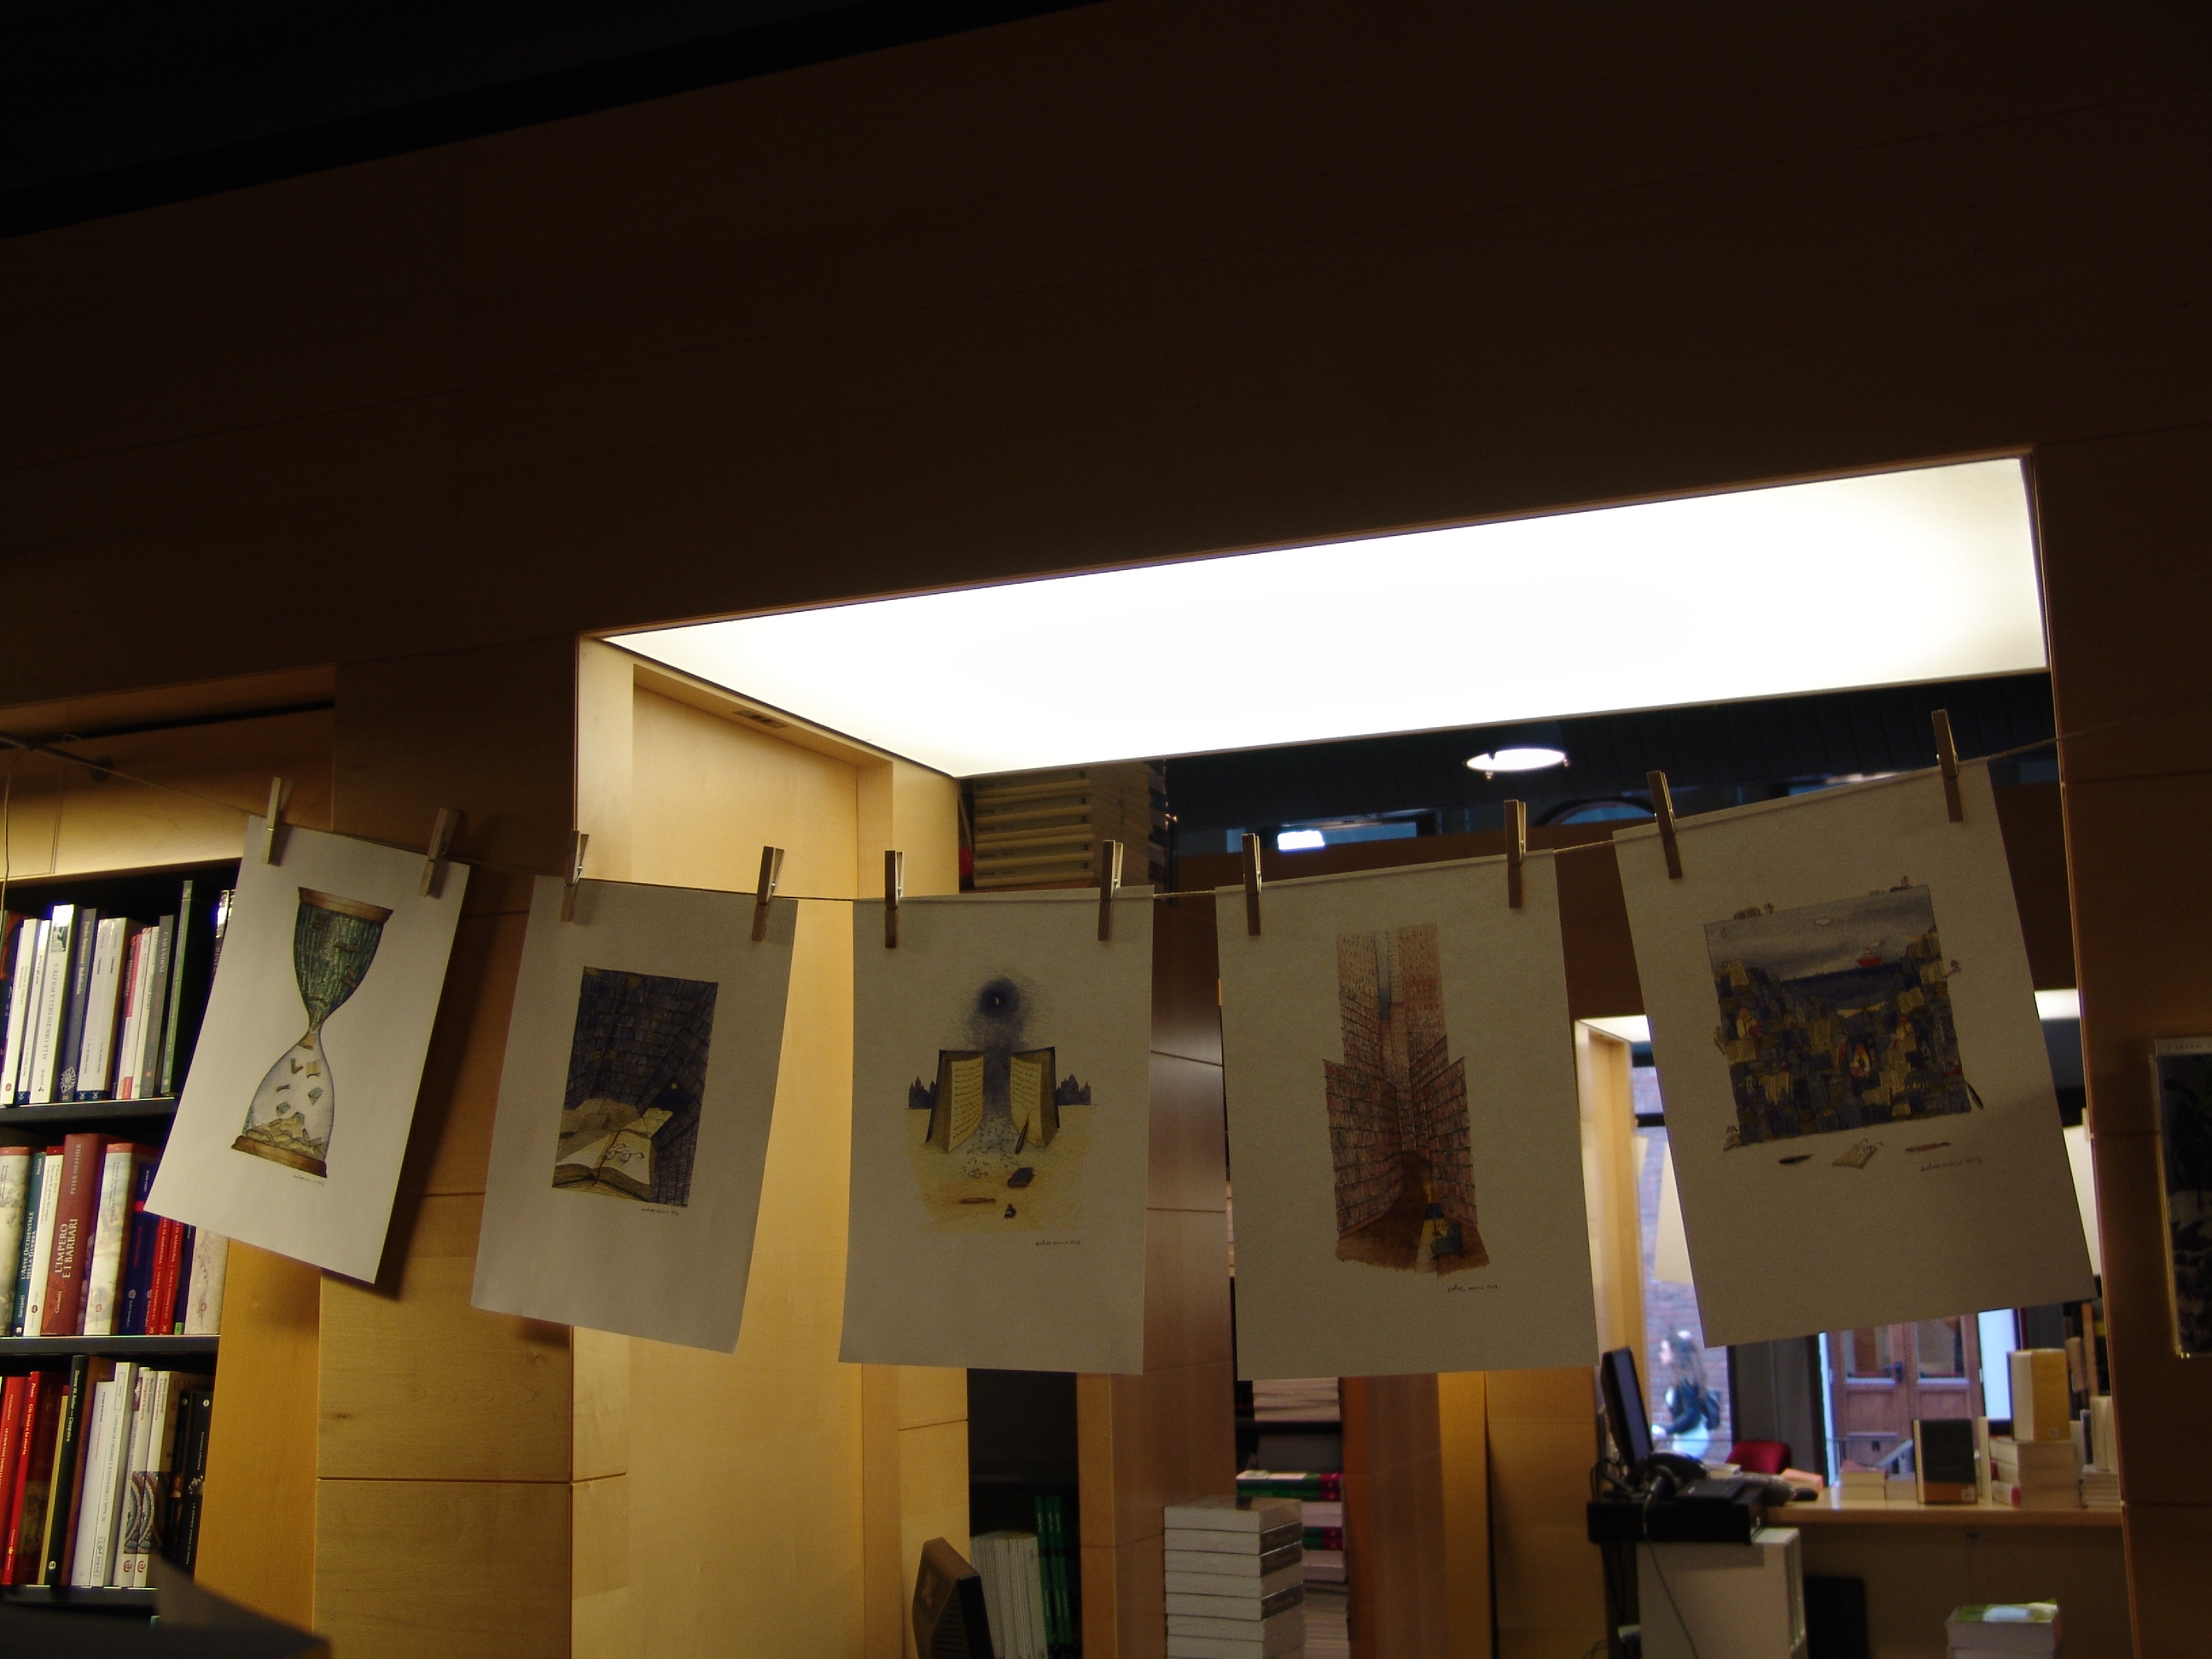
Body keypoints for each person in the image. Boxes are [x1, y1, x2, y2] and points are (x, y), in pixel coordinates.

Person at [1651, 1330, 1722, 1459]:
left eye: (1664, 1350)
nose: (1660, 1354)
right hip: (1688, 1437)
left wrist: (1665, 1431)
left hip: (1690, 1439)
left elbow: (1691, 1414)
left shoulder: (1684, 1380)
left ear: (1674, 1353)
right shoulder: (1687, 1375)